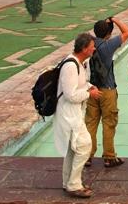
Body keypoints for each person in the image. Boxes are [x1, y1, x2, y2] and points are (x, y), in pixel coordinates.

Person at [54, 32, 101, 199]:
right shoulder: (70, 66)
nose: (94, 49)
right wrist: (90, 94)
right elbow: (70, 95)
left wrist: (90, 86)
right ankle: (74, 184)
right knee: (85, 145)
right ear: (83, 48)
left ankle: (68, 182)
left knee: (72, 149)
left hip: (74, 113)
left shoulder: (80, 63)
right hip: (68, 114)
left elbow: (81, 84)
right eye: (91, 47)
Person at [85, 16, 128, 168]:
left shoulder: (89, 44)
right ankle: (109, 157)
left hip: (92, 89)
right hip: (107, 90)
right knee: (109, 123)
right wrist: (115, 19)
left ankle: (87, 156)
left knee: (90, 123)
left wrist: (103, 24)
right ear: (109, 34)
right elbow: (127, 32)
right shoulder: (108, 45)